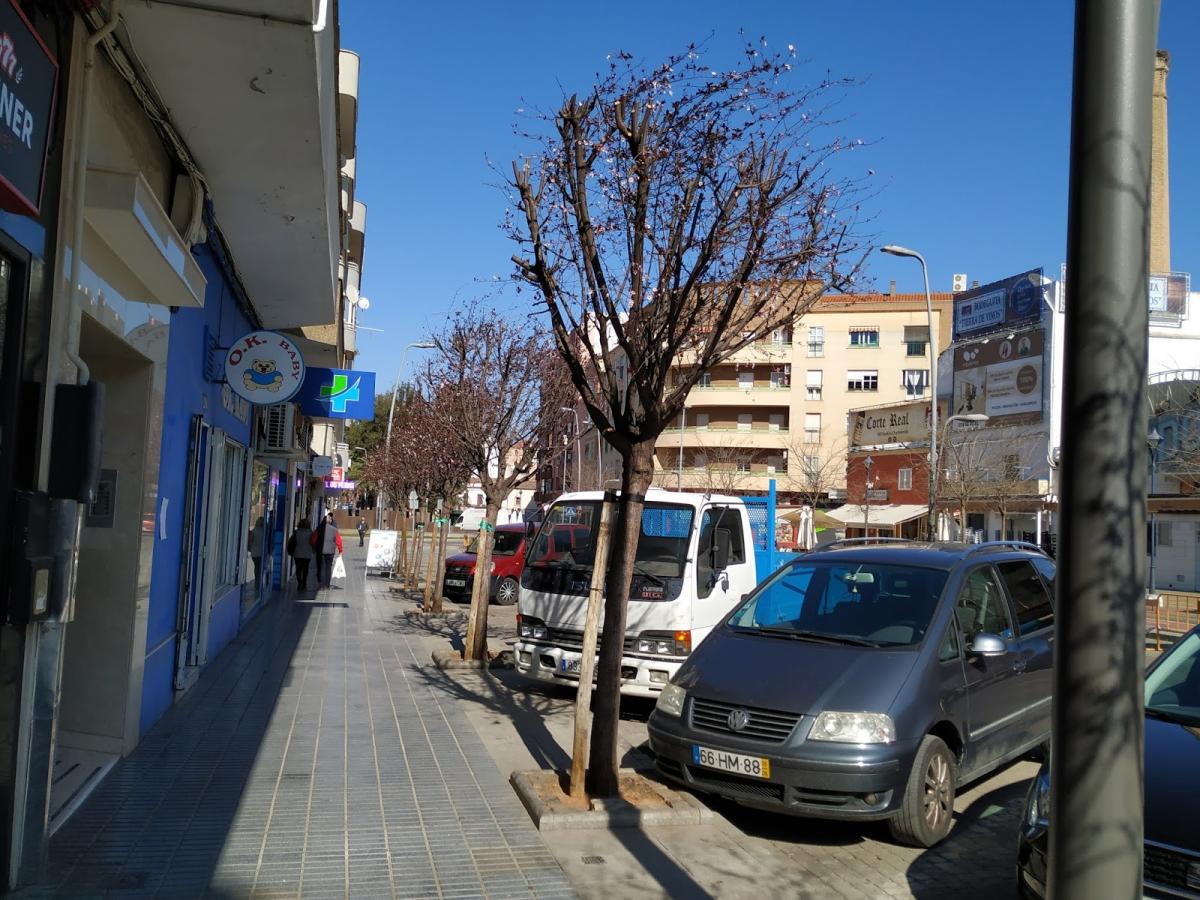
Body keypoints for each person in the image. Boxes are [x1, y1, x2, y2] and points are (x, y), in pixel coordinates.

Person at [310, 512, 343, 588]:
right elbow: (339, 541)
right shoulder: (335, 530)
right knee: (328, 567)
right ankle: (327, 584)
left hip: (320, 551)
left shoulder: (319, 528)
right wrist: (340, 551)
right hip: (330, 551)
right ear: (330, 521)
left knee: (320, 566)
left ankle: (320, 583)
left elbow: (313, 539)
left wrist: (314, 547)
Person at [287, 518, 314, 590]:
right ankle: (304, 583)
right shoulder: (311, 533)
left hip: (297, 554)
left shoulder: (296, 533)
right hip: (307, 554)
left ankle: (299, 583)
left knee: (298, 569)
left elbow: (291, 542)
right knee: (305, 569)